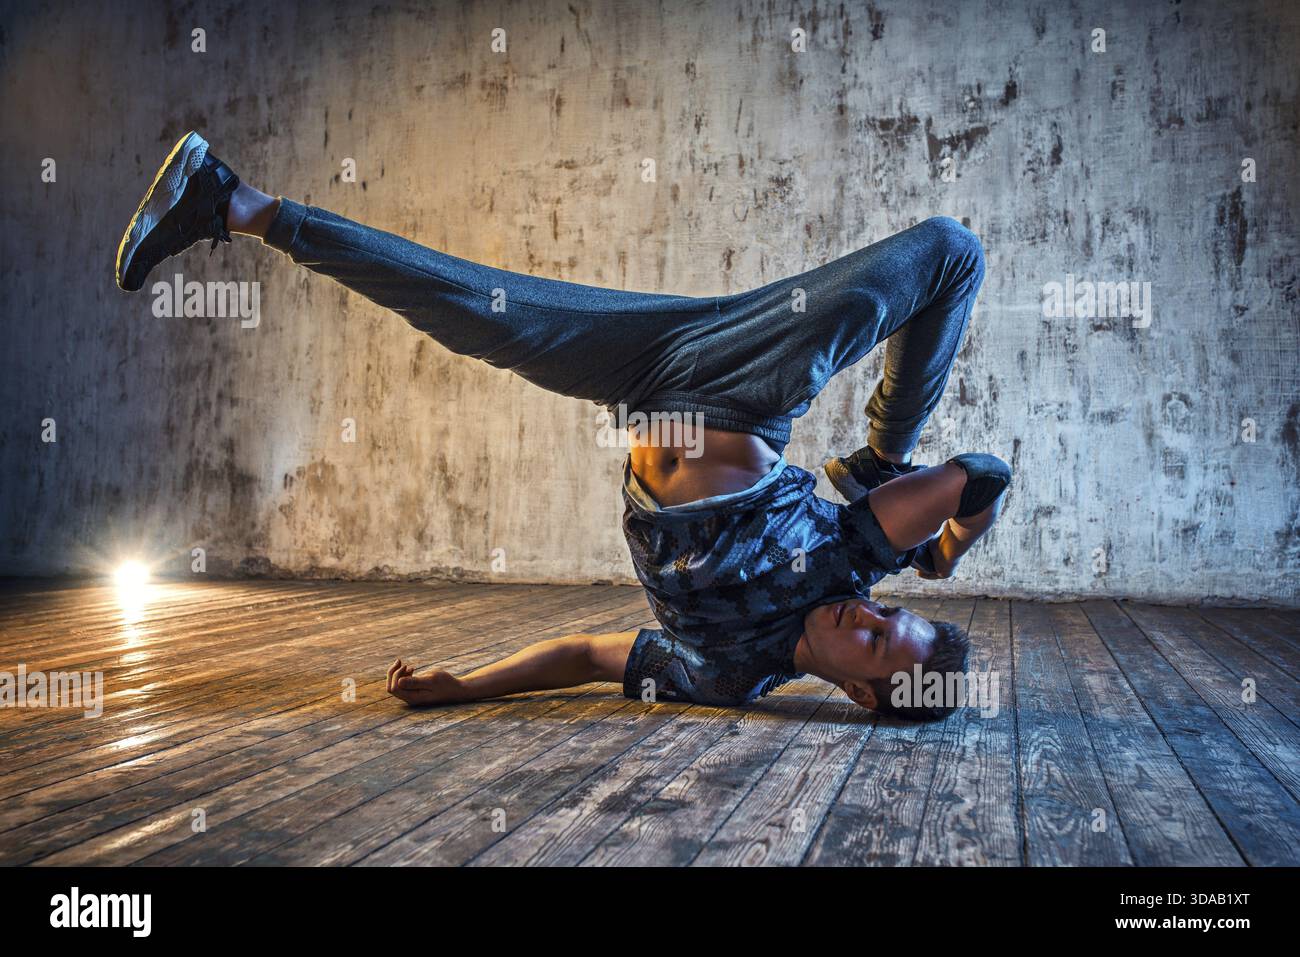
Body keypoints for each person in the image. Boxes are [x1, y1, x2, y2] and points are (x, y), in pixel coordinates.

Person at [117, 131, 1011, 721]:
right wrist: (935, 544)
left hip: (648, 376)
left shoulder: (723, 675)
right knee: (950, 251)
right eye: (892, 614)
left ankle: (231, 202)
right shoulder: (855, 556)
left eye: (876, 641)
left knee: (473, 311)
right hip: (747, 384)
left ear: (858, 691)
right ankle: (882, 444)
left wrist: (467, 685)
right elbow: (980, 474)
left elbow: (587, 653)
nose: (868, 612)